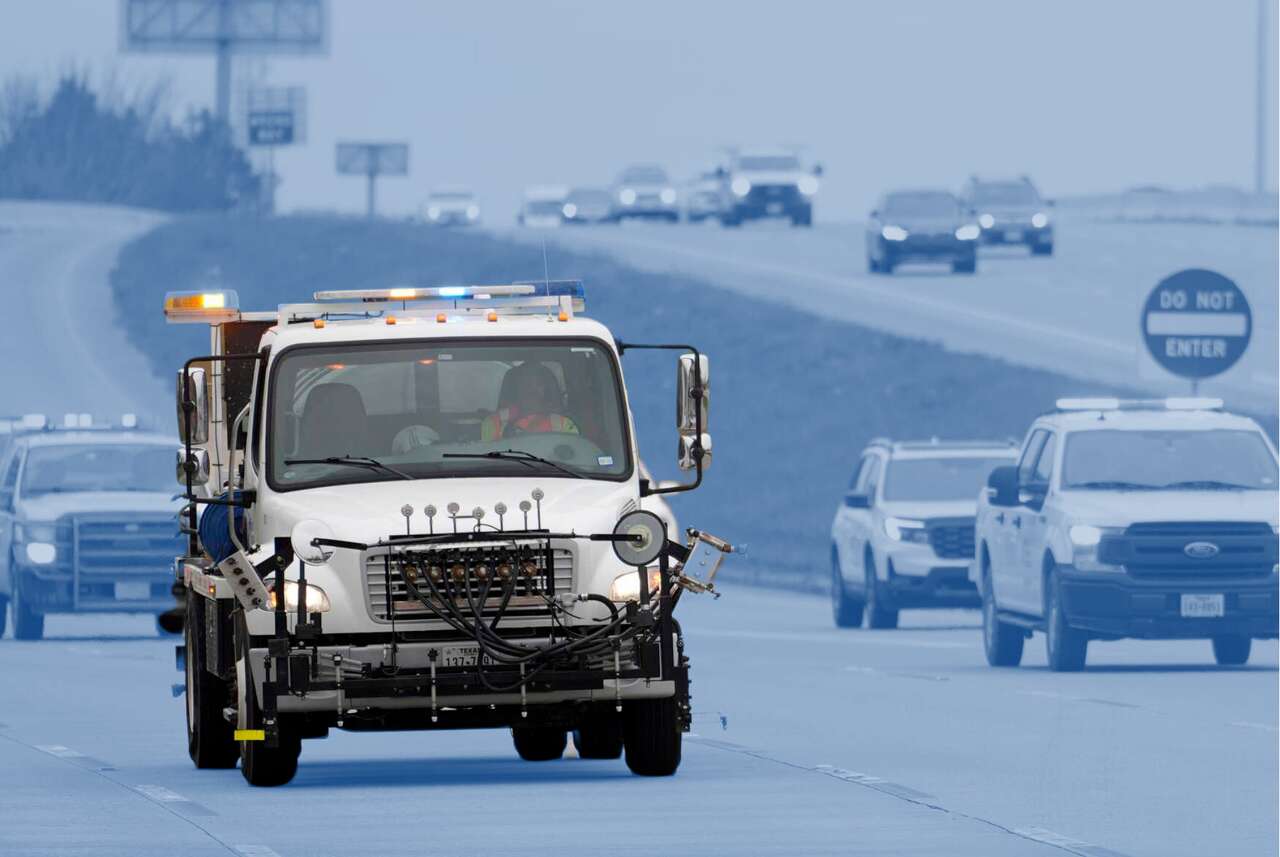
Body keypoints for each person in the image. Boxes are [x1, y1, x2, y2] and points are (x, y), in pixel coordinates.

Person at [481, 362, 579, 441]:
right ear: (516, 389)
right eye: (526, 383)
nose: (532, 390)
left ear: (546, 389)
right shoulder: (494, 422)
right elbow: (489, 462)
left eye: (538, 384)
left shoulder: (563, 424)